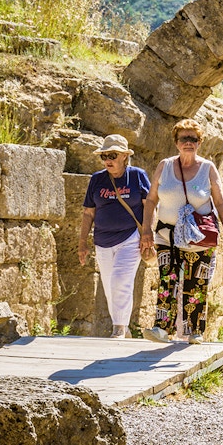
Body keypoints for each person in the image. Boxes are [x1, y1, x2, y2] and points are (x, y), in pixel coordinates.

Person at [140, 119, 223, 344]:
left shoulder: (207, 168)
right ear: (176, 142)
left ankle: (194, 331)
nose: (188, 143)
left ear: (199, 142)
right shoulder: (164, 166)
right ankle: (162, 329)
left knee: (197, 283)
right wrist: (146, 230)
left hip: (198, 238)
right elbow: (151, 199)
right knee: (167, 279)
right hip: (167, 235)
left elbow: (220, 201)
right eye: (184, 138)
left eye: (193, 139)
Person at [78, 134, 151, 338]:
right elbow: (88, 212)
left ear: (125, 157)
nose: (108, 160)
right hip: (102, 241)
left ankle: (118, 328)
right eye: (104, 156)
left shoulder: (137, 176)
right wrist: (82, 242)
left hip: (130, 238)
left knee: (121, 280)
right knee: (110, 285)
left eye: (113, 155)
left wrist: (147, 232)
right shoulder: (97, 179)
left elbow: (149, 206)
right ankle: (124, 328)